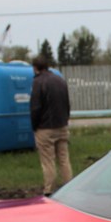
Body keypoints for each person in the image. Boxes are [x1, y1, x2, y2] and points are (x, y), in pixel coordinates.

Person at [30, 55, 72, 196]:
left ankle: (49, 190)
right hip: (62, 125)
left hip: (45, 128)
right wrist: (65, 120)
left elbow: (35, 107)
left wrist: (34, 126)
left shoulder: (37, 82)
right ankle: (69, 188)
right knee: (64, 159)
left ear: (35, 68)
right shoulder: (60, 80)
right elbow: (67, 104)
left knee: (48, 161)